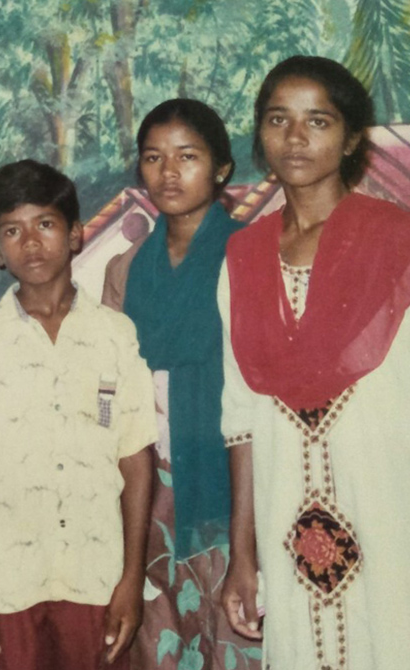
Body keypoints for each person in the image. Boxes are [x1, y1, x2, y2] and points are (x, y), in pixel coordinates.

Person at [220, 56, 410, 670]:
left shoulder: (406, 245)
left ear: (352, 137)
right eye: (279, 119)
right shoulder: (243, 258)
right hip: (287, 518)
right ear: (260, 134)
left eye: (319, 121)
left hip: (393, 507)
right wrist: (242, 552)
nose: (296, 137)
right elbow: (242, 419)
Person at [0, 159, 156, 670]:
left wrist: (130, 577)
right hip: (8, 581)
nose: (31, 243)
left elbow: (135, 458)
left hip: (96, 574)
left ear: (76, 234)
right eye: (12, 231)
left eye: (46, 224)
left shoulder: (114, 335)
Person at [102, 99, 262, 669]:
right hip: (146, 484)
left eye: (187, 156)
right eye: (153, 158)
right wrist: (102, 450)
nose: (169, 172)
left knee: (234, 633)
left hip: (231, 479)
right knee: (159, 641)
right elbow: (106, 389)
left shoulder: (253, 255)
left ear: (221, 167)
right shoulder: (124, 268)